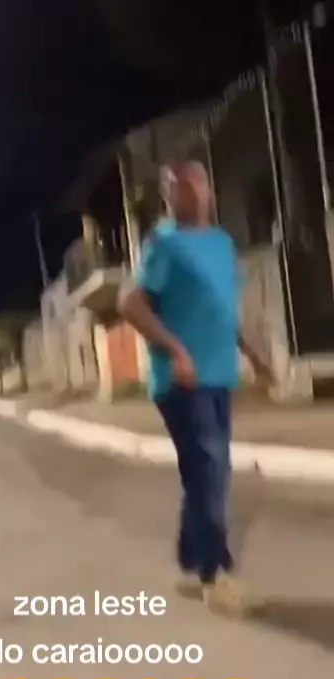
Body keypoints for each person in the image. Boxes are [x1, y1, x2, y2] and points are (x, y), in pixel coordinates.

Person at [120, 160, 272, 615]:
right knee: (210, 468)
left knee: (203, 473)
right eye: (175, 185)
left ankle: (192, 561)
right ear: (167, 195)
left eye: (193, 182)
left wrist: (256, 355)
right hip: (182, 381)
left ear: (208, 189)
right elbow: (130, 304)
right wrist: (175, 350)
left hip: (219, 374)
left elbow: (223, 310)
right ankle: (215, 574)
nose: (185, 191)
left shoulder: (221, 244)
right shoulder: (164, 244)